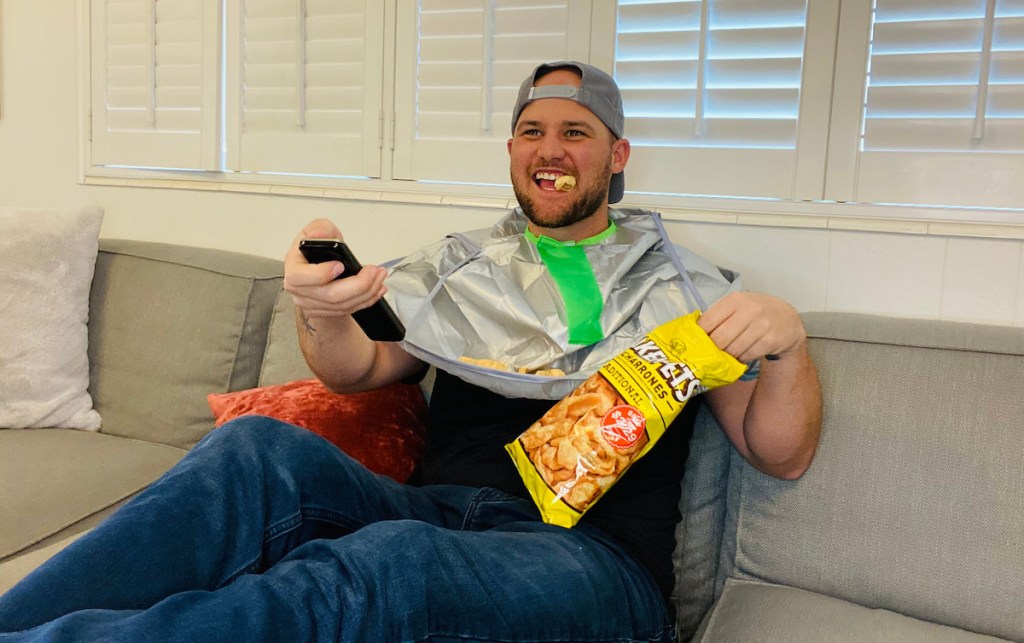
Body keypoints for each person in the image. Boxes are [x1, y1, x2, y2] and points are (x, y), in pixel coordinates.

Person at [0, 61, 821, 642]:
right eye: (531, 131)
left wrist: (786, 344)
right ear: (511, 152)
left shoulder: (689, 286)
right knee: (251, 449)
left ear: (618, 155)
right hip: (434, 512)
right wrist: (319, 307)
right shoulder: (463, 268)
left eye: (576, 131)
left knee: (389, 563)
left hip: (591, 564)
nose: (550, 150)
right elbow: (358, 366)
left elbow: (777, 452)